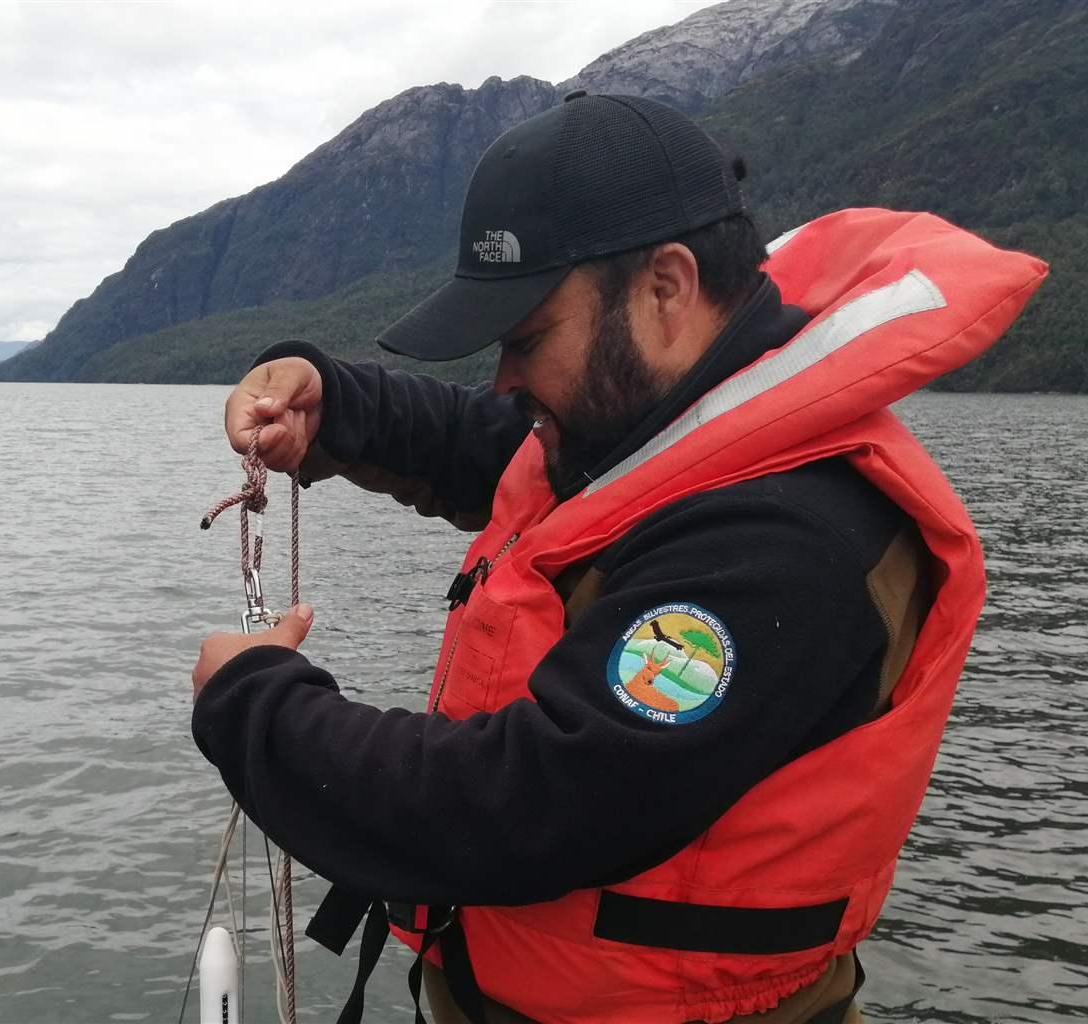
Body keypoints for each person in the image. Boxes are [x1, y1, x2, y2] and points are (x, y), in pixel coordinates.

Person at [188, 92, 1044, 1024]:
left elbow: (518, 804)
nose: (505, 377)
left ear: (666, 288)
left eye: (527, 338)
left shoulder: (787, 542)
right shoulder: (648, 423)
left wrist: (255, 703)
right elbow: (490, 441)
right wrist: (333, 405)